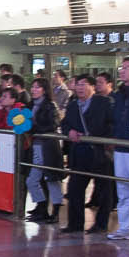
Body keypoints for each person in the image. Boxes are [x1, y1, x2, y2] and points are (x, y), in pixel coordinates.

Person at [60, 75, 112, 234]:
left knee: (104, 191)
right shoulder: (73, 105)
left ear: (92, 87)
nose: (80, 88)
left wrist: (99, 138)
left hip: (99, 152)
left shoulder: (104, 103)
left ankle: (101, 224)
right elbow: (65, 123)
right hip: (79, 152)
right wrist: (69, 131)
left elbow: (111, 124)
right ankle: (75, 224)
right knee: (75, 189)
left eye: (84, 85)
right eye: (78, 85)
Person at [105, 60, 129, 242]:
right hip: (120, 147)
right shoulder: (118, 94)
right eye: (121, 67)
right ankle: (126, 228)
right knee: (122, 190)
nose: (122, 71)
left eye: (127, 67)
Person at [25, 76, 65, 223]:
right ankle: (41, 206)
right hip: (35, 146)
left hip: (48, 147)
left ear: (44, 90)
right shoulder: (29, 106)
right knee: (32, 180)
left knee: (51, 180)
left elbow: (53, 125)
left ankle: (55, 210)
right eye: (33, 87)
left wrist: (34, 128)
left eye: (37, 87)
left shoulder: (50, 106)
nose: (34, 90)